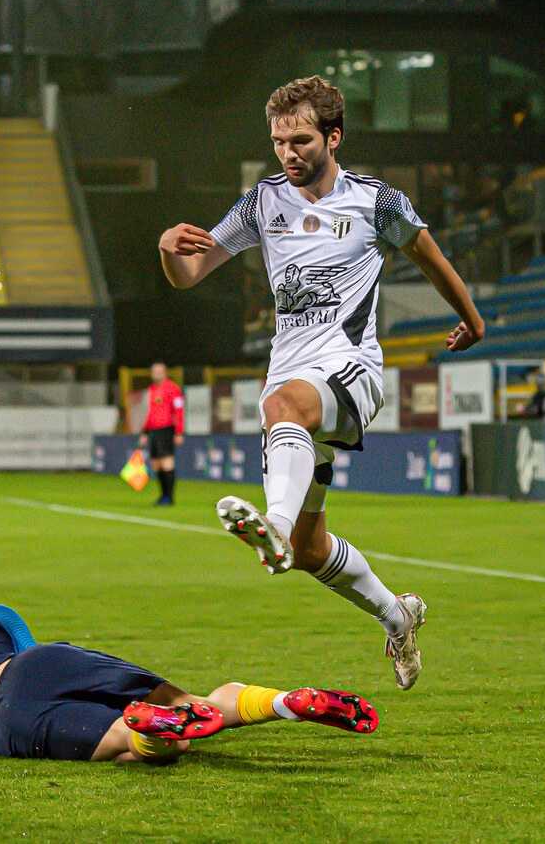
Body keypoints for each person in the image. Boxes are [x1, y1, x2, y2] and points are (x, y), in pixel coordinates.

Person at [156, 75, 485, 690]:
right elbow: (191, 272)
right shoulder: (261, 203)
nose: (288, 153)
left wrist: (473, 320)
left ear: (334, 137)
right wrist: (169, 250)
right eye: (278, 142)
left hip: (350, 368)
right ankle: (397, 615)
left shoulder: (376, 202)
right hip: (291, 380)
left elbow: (432, 259)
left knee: (283, 407)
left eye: (301, 140)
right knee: (311, 551)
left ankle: (273, 527)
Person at [0, 599, 379, 763]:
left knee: (128, 746)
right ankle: (283, 701)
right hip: (36, 666)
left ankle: (146, 730)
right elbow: (28, 650)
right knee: (189, 700)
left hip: (2, 722)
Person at [137, 362, 185, 506]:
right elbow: (150, 413)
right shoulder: (152, 389)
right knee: (156, 464)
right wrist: (145, 432)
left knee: (166, 462)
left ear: (165, 373)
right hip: (153, 431)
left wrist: (179, 432)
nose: (156, 374)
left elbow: (179, 410)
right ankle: (163, 495)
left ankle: (169, 497)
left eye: (159, 372)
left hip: (166, 430)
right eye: (154, 372)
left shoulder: (173, 388)